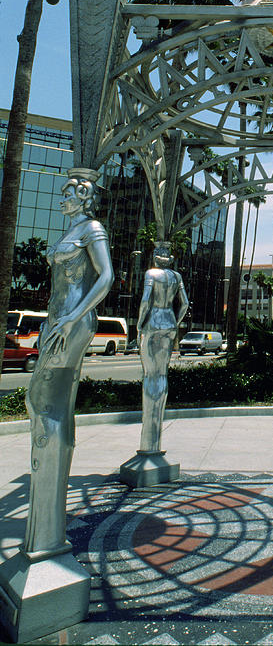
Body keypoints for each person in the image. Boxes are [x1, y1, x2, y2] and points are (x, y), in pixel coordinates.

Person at [24, 169, 114, 555]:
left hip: (69, 323)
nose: (60, 199)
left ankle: (46, 530)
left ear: (82, 196)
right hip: (57, 319)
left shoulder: (92, 228)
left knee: (47, 403)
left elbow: (107, 275)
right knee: (43, 401)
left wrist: (74, 317)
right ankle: (44, 521)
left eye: (66, 193)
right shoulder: (70, 230)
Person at [137, 242, 189, 453]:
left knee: (150, 374)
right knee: (162, 375)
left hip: (153, 321)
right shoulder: (176, 277)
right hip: (168, 320)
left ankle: (148, 440)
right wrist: (175, 323)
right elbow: (184, 304)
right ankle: (155, 434)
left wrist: (141, 323)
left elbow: (145, 301)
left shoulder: (151, 274)